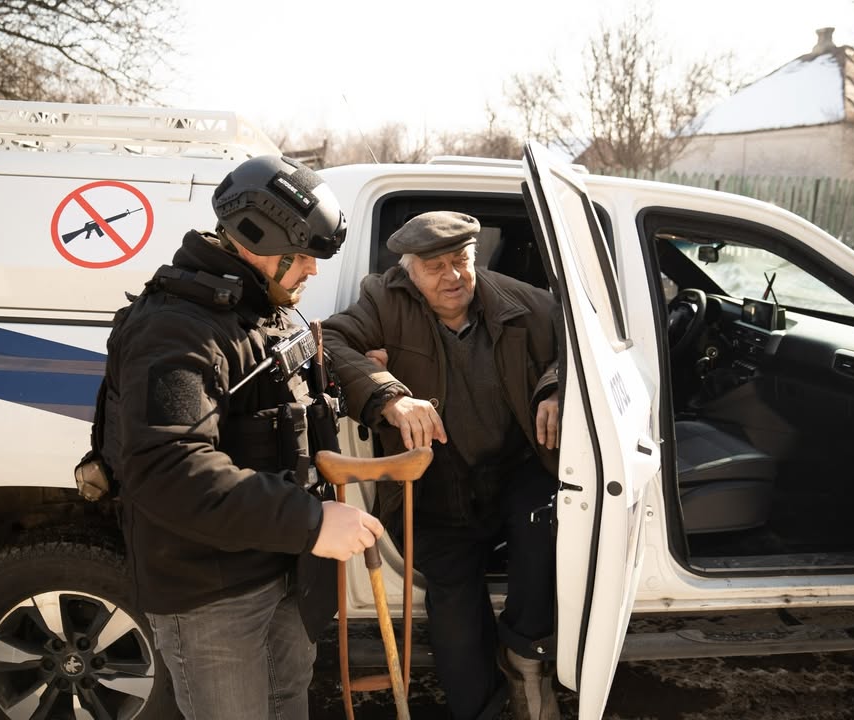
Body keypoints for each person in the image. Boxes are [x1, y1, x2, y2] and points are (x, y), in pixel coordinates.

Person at [99, 155, 383, 720]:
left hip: (280, 567)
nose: (313, 269)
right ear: (258, 238)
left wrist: (378, 391)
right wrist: (312, 521)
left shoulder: (259, 308)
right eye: (302, 254)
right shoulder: (177, 327)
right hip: (213, 594)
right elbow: (169, 468)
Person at [322, 210, 562, 720]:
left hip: (512, 470)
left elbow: (583, 343)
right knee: (456, 609)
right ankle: (482, 712)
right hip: (435, 485)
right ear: (409, 272)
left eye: (461, 261)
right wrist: (389, 395)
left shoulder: (520, 301)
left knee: (546, 523)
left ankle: (526, 657)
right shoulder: (383, 300)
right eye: (435, 267)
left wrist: (555, 388)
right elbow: (330, 343)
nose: (452, 277)